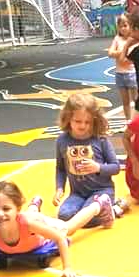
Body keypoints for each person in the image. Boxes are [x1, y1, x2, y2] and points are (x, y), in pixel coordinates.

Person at [53, 93, 124, 230]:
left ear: (94, 121)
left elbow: (115, 167)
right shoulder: (62, 141)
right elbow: (60, 168)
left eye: (88, 122)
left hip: (101, 191)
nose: (83, 126)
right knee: (64, 215)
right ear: (68, 118)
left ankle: (113, 208)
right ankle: (113, 208)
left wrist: (98, 167)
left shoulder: (100, 139)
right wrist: (59, 188)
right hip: (78, 193)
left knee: (87, 214)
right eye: (78, 121)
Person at [107, 13, 138, 121]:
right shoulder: (117, 39)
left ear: (131, 26)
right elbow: (110, 53)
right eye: (121, 26)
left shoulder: (134, 40)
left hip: (132, 73)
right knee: (125, 101)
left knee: (136, 99)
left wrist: (121, 54)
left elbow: (131, 57)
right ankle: (128, 121)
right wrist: (122, 53)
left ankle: (137, 120)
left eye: (125, 25)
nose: (123, 28)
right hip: (120, 74)